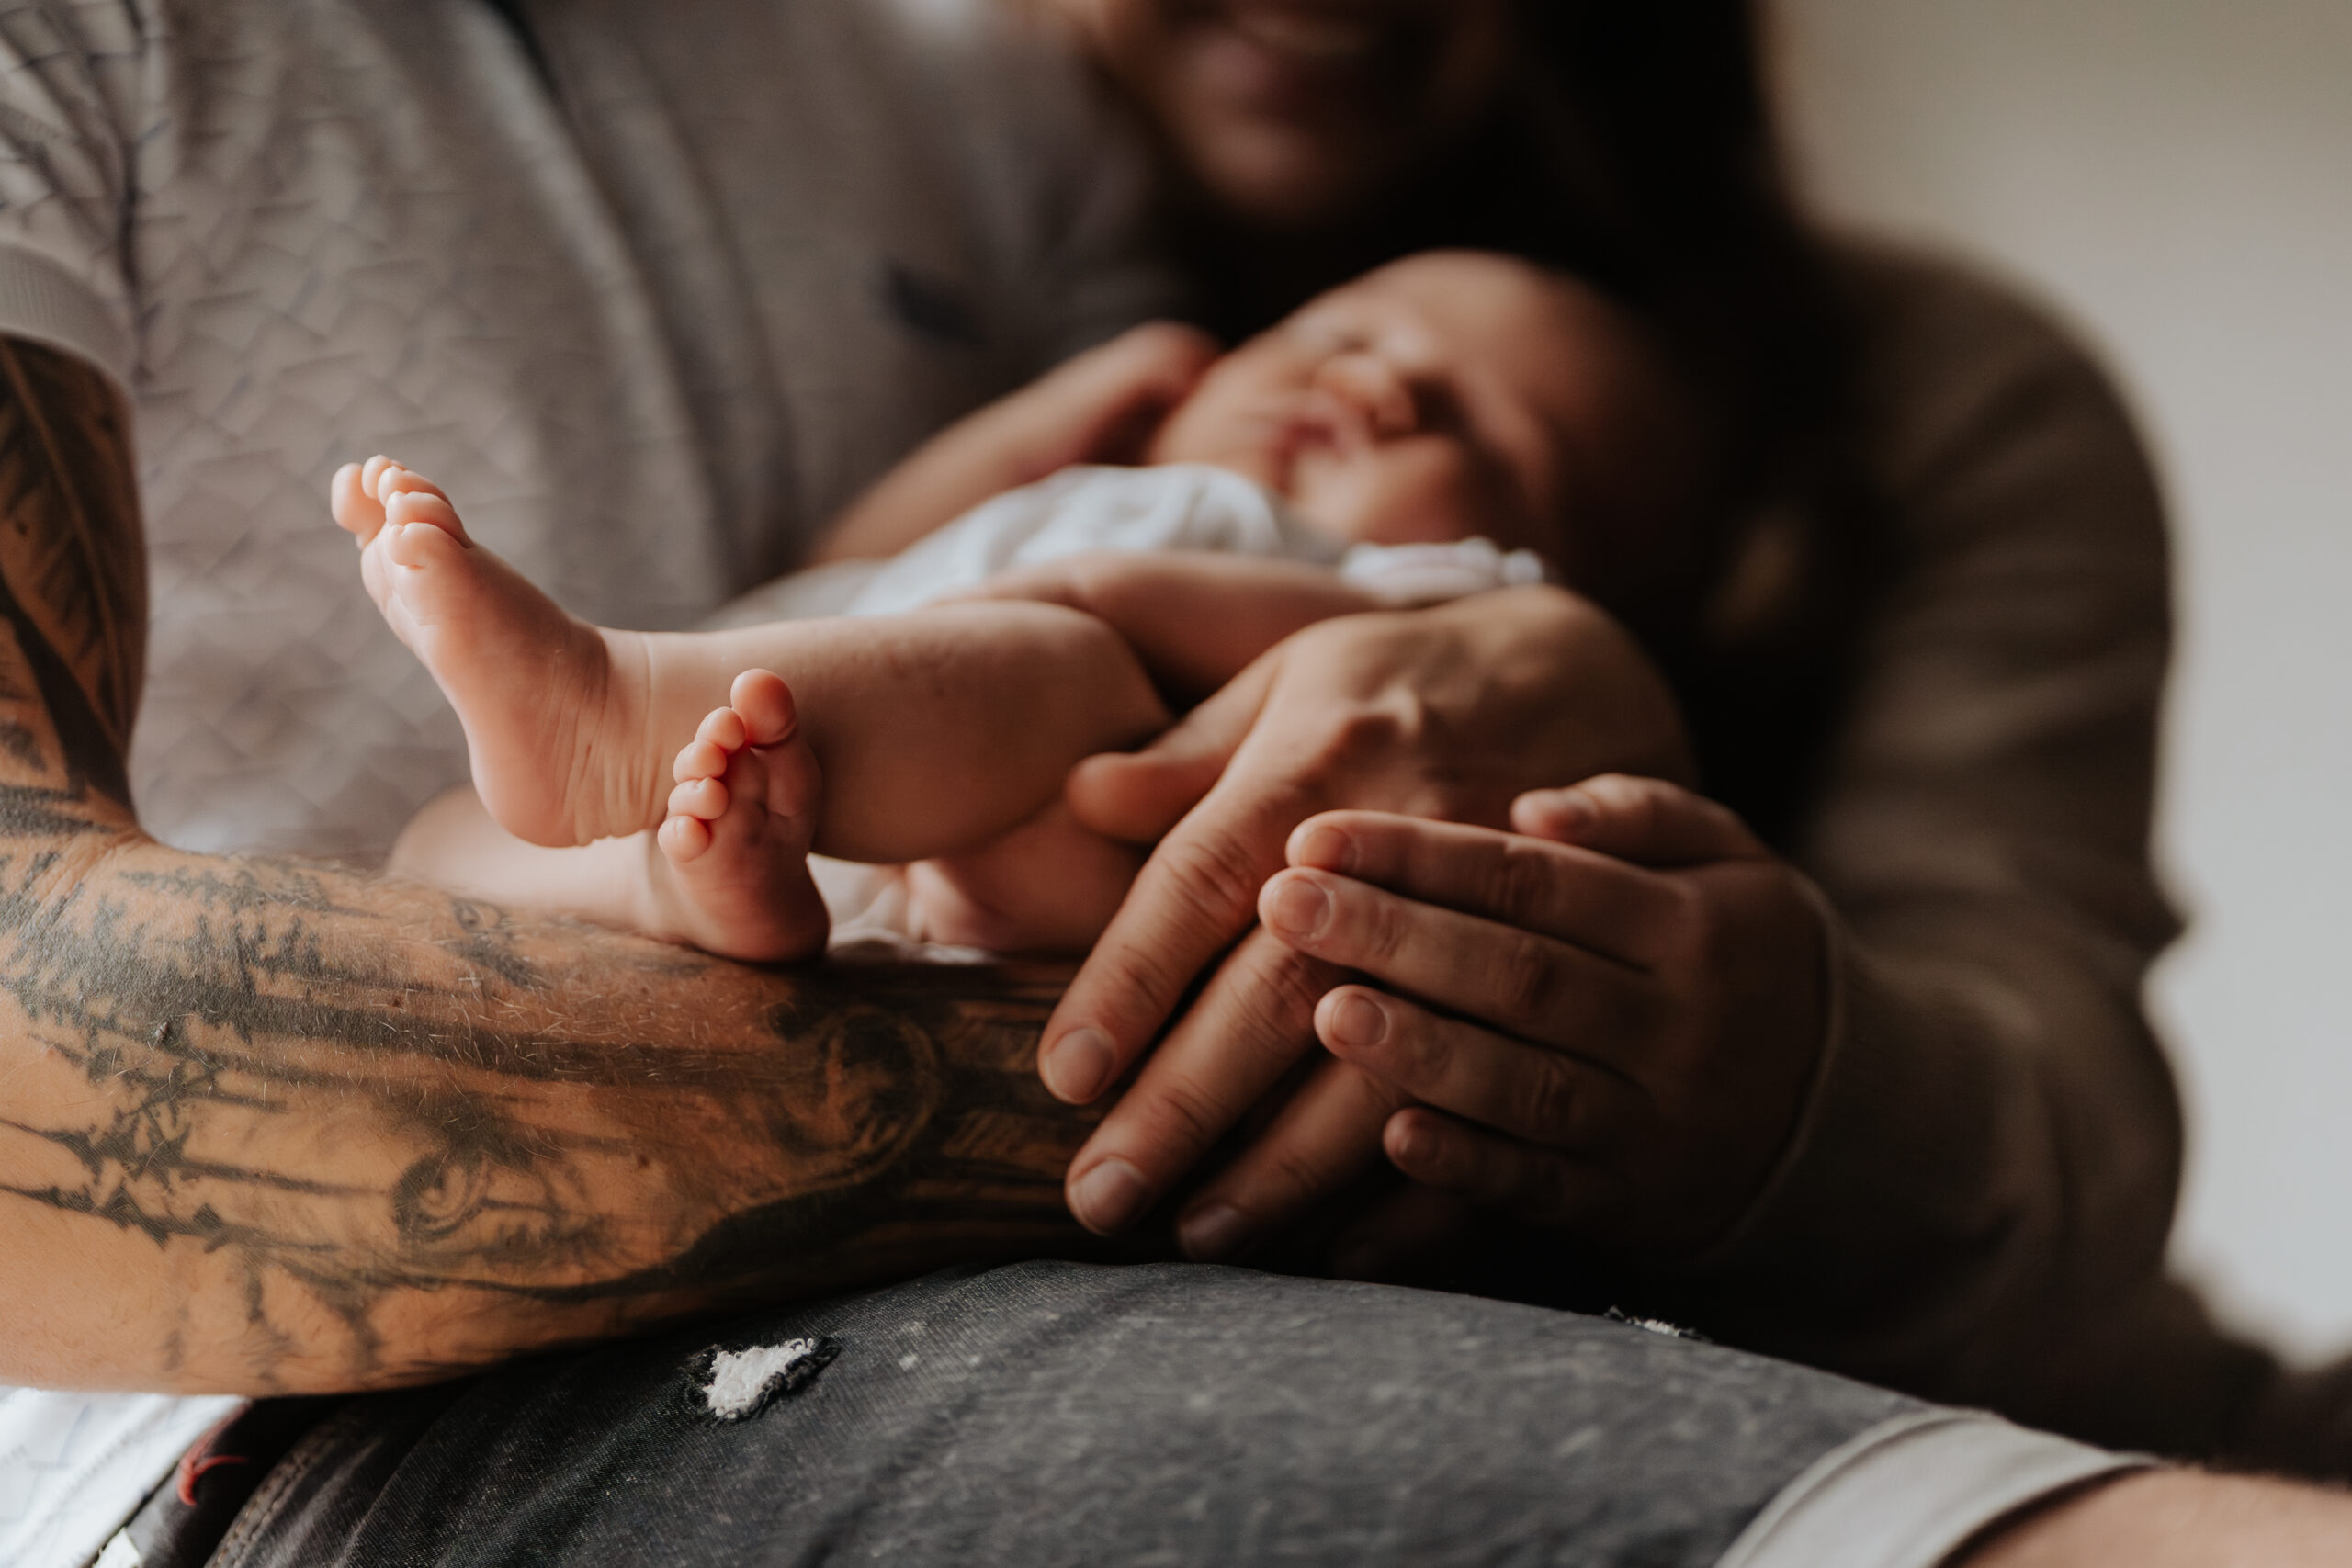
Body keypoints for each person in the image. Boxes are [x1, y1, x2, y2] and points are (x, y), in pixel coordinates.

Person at [0, 1, 2331, 1564]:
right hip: (763, 1171)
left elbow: (2050, 1123)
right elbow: (880, 577)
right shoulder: (1034, 168)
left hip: (1872, 1315)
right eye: (1339, 345)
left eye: (1473, 424)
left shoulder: (1894, 404)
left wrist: (1712, 978)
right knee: (623, 806)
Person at [346, 251, 1695, 962]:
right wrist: (1027, 435)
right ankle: (666, 883)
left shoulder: (1428, 611)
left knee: (1076, 665)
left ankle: (612, 708)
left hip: (1011, 858)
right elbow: (852, 566)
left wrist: (1073, 592)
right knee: (436, 840)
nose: (1379, 386)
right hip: (753, 779)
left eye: (1478, 433)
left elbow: (1229, 642)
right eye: (1342, 332)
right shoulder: (1093, 486)